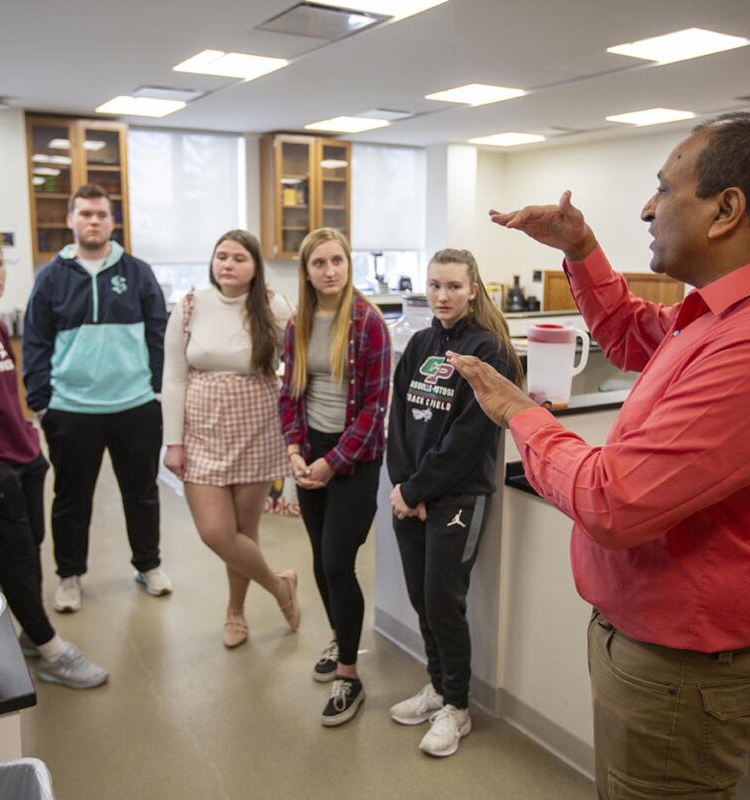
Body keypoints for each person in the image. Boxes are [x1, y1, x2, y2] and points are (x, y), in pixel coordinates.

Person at [447, 112, 750, 797]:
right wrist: (581, 247)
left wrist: (520, 414)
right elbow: (630, 334)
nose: (647, 208)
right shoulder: (715, 316)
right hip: (648, 647)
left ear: (727, 209)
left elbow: (613, 501)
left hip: (682, 670)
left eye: (664, 190)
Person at [0, 235, 108, 689]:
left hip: (24, 458)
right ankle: (52, 650)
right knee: (15, 559)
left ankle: (29, 632)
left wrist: (27, 437)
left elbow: (3, 394)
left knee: (31, 546)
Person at [386, 249, 521, 757]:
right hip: (412, 496)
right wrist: (403, 489)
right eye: (435, 285)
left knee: (445, 603)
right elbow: (398, 419)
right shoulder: (420, 343)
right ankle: (438, 687)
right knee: (422, 599)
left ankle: (458, 709)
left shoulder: (489, 352)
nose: (442, 296)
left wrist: (418, 490)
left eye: (453, 286)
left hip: (458, 497)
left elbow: (468, 440)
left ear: (472, 289)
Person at [22, 184, 172, 614]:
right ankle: (70, 576)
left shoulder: (138, 272)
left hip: (135, 405)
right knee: (71, 498)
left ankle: (148, 565)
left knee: (141, 493)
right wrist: (41, 402)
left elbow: (157, 335)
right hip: (71, 410)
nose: (93, 221)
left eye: (101, 214)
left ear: (112, 221)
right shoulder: (51, 277)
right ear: (71, 220)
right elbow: (35, 341)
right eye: (85, 213)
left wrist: (158, 392)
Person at [161, 229, 299, 647]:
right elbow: (173, 375)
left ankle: (235, 612)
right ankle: (279, 587)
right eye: (221, 256)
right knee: (216, 532)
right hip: (200, 432)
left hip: (256, 428)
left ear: (255, 266)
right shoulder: (189, 306)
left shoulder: (275, 307)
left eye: (239, 258)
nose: (228, 264)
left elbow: (295, 366)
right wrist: (173, 441)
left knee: (244, 529)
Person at [279, 228, 391, 726]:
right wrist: (296, 448)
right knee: (322, 564)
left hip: (355, 457)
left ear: (349, 265)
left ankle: (349, 673)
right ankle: (340, 634)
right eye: (319, 263)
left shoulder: (368, 325)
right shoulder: (298, 324)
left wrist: (332, 463)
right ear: (306, 271)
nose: (330, 270)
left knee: (337, 562)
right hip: (313, 452)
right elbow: (290, 393)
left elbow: (373, 410)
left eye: (337, 261)